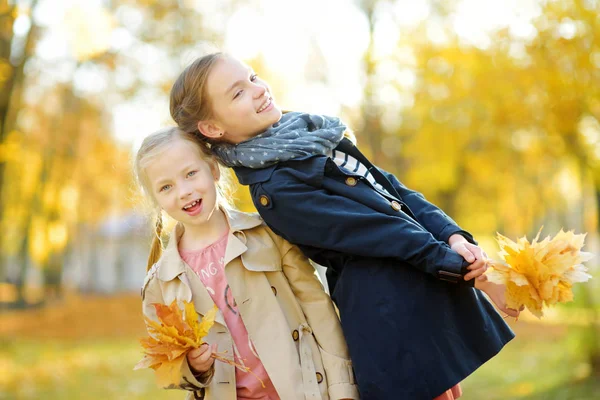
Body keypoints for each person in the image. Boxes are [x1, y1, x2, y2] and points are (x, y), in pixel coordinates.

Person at [168, 52, 520, 400]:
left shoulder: (311, 138)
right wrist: (478, 277)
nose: (258, 89)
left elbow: (390, 188)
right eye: (238, 93)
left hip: (420, 297)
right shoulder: (277, 190)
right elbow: (381, 230)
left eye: (253, 77)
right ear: (213, 128)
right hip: (391, 318)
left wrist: (453, 235)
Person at [134, 127, 359, 400]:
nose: (183, 191)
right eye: (166, 186)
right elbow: (167, 364)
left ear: (213, 170)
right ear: (156, 199)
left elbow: (317, 308)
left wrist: (341, 388)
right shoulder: (161, 282)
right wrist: (191, 366)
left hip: (304, 391)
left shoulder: (269, 233)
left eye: (191, 174)